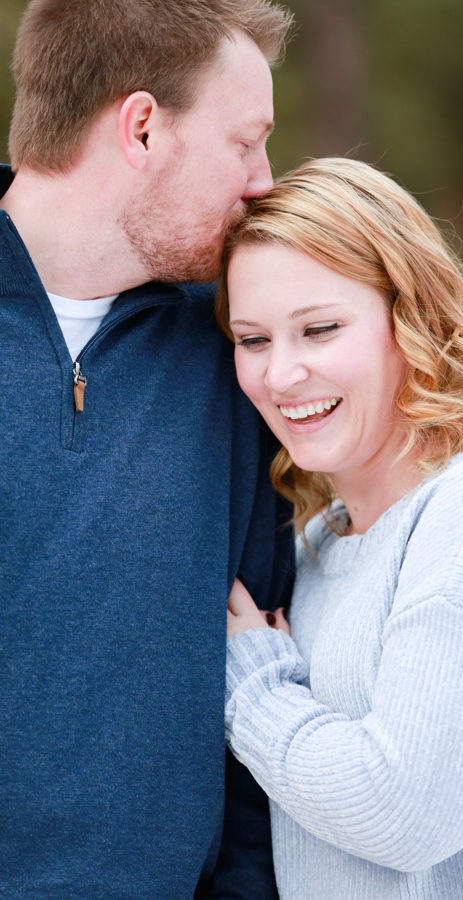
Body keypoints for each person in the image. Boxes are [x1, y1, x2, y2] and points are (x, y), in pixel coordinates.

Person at [218, 157, 463, 900]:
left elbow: (404, 814)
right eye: (252, 340)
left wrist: (255, 688)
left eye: (320, 329)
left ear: (411, 317)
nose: (281, 375)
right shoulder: (321, 546)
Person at [0, 1, 294, 898]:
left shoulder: (242, 353)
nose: (265, 181)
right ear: (141, 127)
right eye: (246, 143)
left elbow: (263, 684)